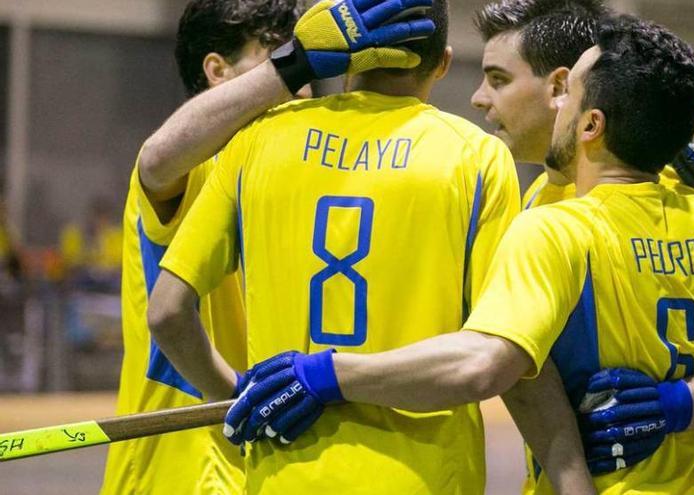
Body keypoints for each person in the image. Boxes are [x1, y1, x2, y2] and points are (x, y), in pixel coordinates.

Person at [219, 12, 694, 495]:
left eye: (498, 79)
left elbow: (487, 363)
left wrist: (325, 373)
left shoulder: (552, 227)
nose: (479, 100)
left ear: (584, 113)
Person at [146, 0, 539, 493]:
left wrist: (240, 398)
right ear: (442, 63)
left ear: (346, 56)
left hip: (281, 475)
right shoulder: (476, 158)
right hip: (425, 477)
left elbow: (166, 312)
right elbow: (487, 358)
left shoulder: (257, 140)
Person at [469, 0, 694, 487]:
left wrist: (676, 405)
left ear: (564, 90)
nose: (478, 98)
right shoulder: (539, 200)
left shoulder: (658, 193)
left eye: (498, 79)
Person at [102, 0, 424, 492]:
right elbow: (158, 157)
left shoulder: (297, 175)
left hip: (272, 465)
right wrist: (296, 62)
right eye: (279, 53)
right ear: (217, 71)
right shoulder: (199, 166)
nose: (303, 79)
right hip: (184, 470)